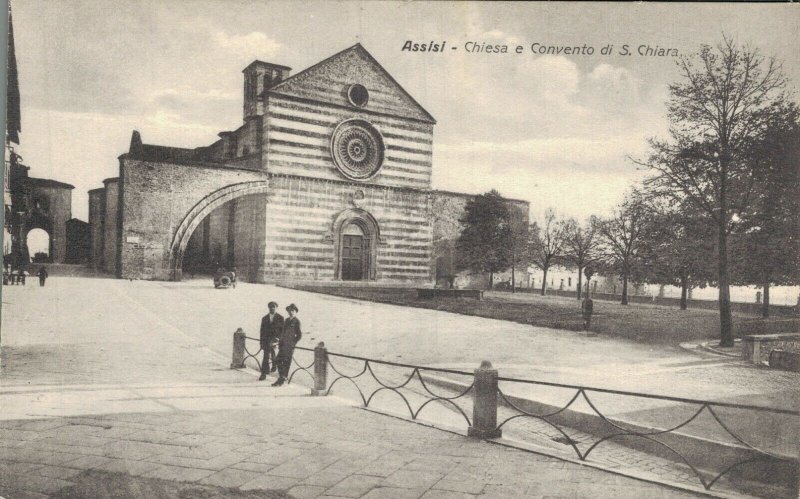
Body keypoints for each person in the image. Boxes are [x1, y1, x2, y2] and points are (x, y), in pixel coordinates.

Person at [272, 303, 302, 387]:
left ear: (295, 312)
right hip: (283, 345)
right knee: (277, 360)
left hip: (290, 346)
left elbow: (299, 335)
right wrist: (279, 342)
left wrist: (293, 343)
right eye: (290, 310)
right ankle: (282, 377)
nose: (291, 312)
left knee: (286, 362)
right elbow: (283, 333)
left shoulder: (297, 322)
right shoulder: (286, 320)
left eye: (293, 310)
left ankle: (282, 379)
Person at [258, 301, 283, 381]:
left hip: (276, 340)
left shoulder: (280, 318)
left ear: (276, 308)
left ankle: (277, 370)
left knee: (275, 356)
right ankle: (264, 374)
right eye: (270, 307)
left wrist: (278, 339)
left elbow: (282, 331)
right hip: (266, 341)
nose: (272, 308)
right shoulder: (264, 318)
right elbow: (262, 331)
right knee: (265, 357)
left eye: (274, 307)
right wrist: (261, 342)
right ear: (268, 308)